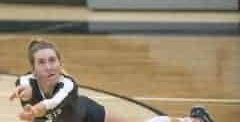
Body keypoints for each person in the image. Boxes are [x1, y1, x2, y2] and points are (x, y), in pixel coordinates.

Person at [9, 38, 214, 122]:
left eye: (53, 60)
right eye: (42, 62)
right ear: (33, 68)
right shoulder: (27, 82)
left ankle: (194, 120)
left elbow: (50, 104)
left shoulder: (68, 84)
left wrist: (36, 110)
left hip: (90, 114)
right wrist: (24, 89)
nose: (49, 66)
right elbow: (24, 84)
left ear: (60, 64)